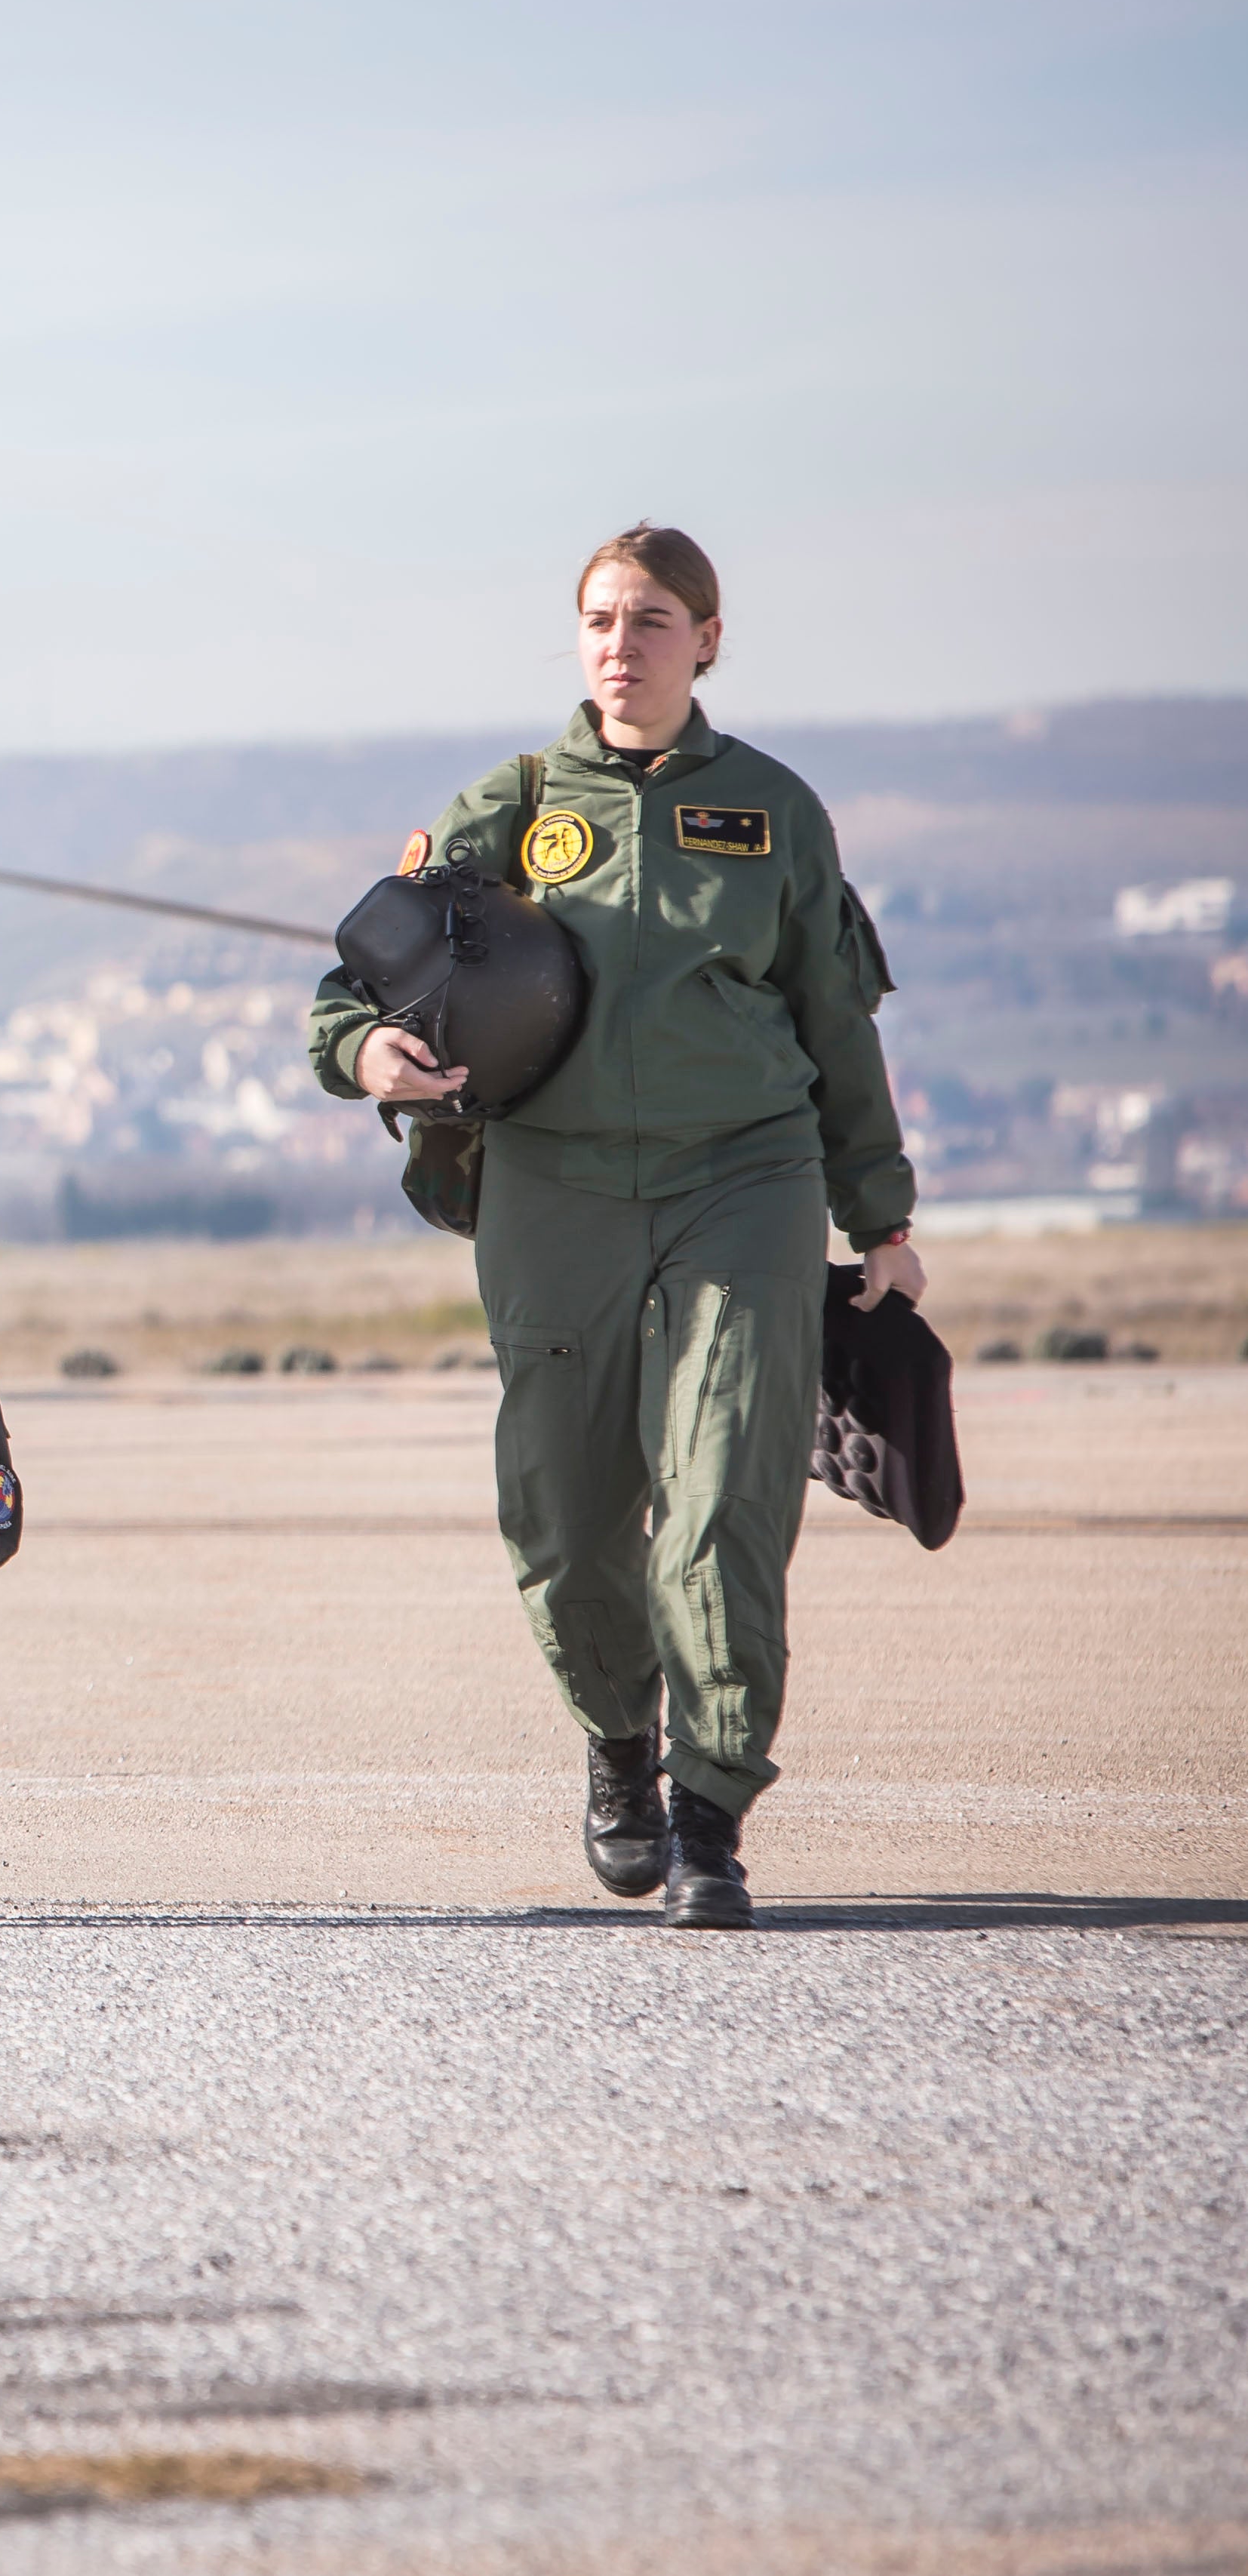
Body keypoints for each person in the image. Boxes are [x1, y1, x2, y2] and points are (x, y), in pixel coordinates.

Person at [307, 525, 920, 1929]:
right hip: (555, 1184)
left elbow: (838, 1022)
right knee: (567, 1513)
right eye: (598, 619)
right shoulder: (513, 808)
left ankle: (710, 1810)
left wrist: (878, 1216)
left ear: (708, 639)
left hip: (742, 1178)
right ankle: (620, 1742)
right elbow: (358, 976)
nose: (619, 644)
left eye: (651, 620)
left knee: (723, 1495)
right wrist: (366, 1059)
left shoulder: (774, 813)